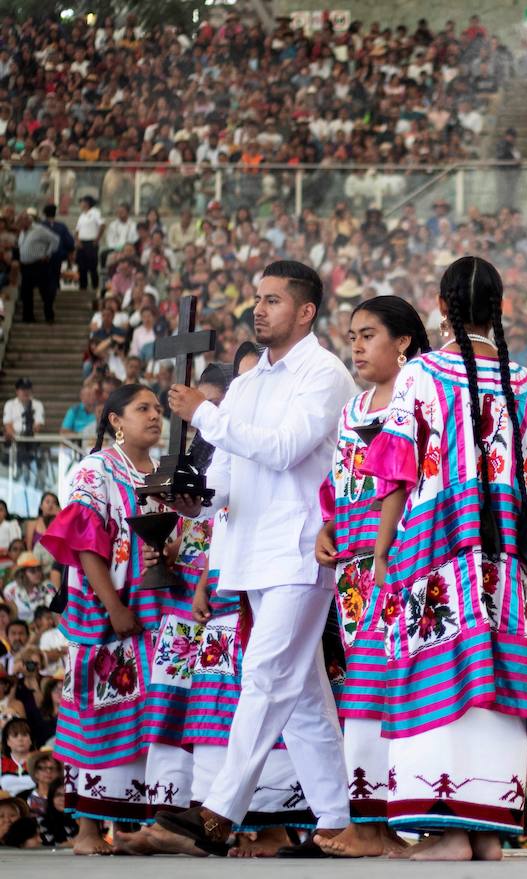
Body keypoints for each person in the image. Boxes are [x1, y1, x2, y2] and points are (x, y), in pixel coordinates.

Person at [361, 256, 527, 861]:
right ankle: (486, 833)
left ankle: (449, 833)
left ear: (441, 307)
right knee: (499, 676)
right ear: (497, 309)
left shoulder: (421, 375)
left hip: (437, 550)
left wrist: (379, 548)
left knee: (441, 675)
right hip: (511, 560)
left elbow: (395, 475)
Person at [155, 261, 356, 855]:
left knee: (266, 677)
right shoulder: (245, 385)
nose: (259, 310)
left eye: (272, 300)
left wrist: (205, 415)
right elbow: (227, 472)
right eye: (257, 299)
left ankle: (219, 810)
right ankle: (337, 821)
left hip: (299, 548)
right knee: (303, 702)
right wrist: (194, 502)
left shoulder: (324, 373)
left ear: (306, 311)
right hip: (249, 550)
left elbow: (286, 449)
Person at [37, 384, 180, 854]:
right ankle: (86, 830)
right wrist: (114, 607)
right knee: (99, 713)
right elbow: (82, 541)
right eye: (143, 409)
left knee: (148, 719)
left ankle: (139, 827)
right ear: (116, 420)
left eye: (159, 409)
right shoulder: (94, 470)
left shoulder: (162, 473)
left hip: (156, 612)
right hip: (107, 612)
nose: (155, 416)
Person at [314, 296, 430, 858]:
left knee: (392, 690)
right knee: (362, 692)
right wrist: (326, 527)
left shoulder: (421, 399)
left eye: (368, 335)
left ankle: (385, 825)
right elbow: (336, 484)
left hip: (408, 563)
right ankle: (374, 826)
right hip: (356, 570)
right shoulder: (353, 408)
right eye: (352, 336)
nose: (356, 347)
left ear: (403, 342)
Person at [15, 212, 58, 324]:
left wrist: (48, 254)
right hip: (25, 266)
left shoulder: (39, 229)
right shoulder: (22, 232)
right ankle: (28, 317)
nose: (18, 225)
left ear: (26, 221)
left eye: (20, 222)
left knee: (45, 292)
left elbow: (55, 240)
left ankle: (49, 316)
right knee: (26, 292)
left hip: (39, 265)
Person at [2, 554, 52, 623]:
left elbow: (53, 610)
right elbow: (10, 614)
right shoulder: (10, 589)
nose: (38, 573)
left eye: (39, 569)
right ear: (22, 573)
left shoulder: (48, 586)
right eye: (32, 571)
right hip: (19, 627)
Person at [74, 195, 103, 294]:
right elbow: (77, 230)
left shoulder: (95, 212)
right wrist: (77, 241)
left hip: (91, 242)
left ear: (87, 203)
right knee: (81, 267)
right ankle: (82, 288)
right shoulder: (82, 215)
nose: (81, 204)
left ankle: (95, 288)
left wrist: (97, 239)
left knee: (92, 267)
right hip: (82, 243)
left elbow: (102, 225)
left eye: (82, 202)